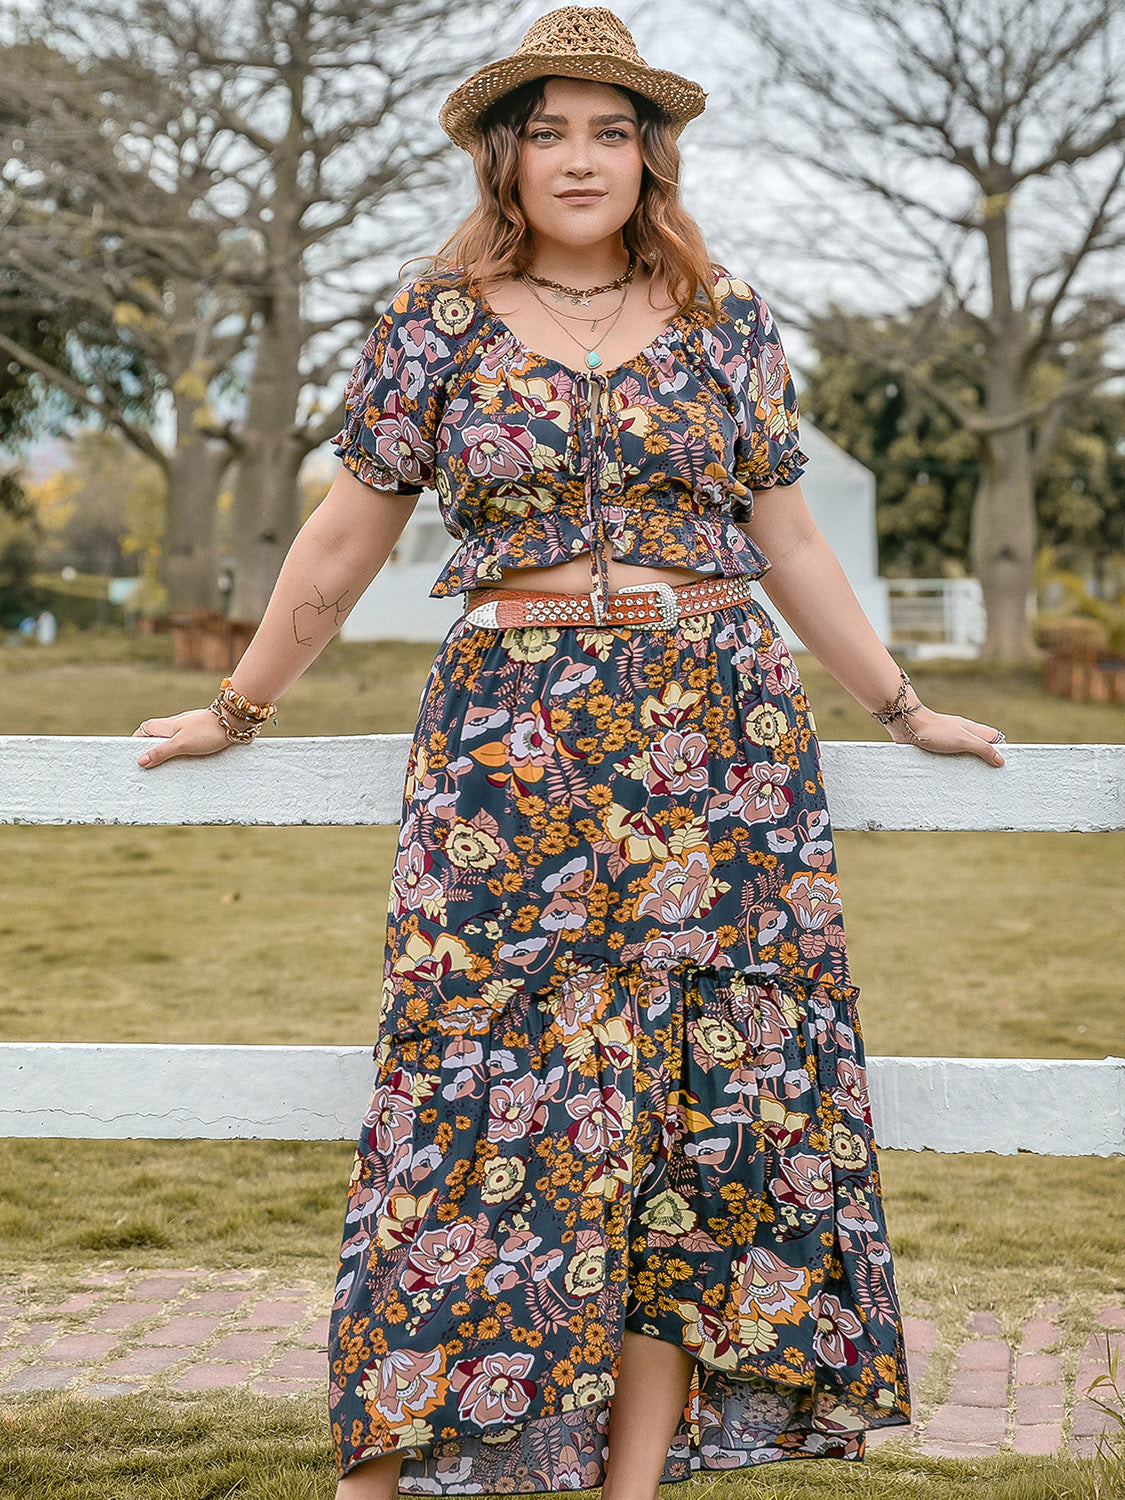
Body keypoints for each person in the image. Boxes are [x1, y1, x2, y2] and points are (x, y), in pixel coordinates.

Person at [134, 7, 1007, 1497]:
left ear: (650, 152)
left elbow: (785, 538)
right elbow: (346, 532)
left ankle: (631, 1482)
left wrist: (894, 703)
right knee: (477, 1083)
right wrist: (237, 705)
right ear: (505, 153)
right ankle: (396, 1459)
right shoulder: (435, 319)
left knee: (698, 1100)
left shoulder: (725, 317)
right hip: (511, 739)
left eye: (612, 129)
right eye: (550, 129)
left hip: (715, 735)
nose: (582, 157)